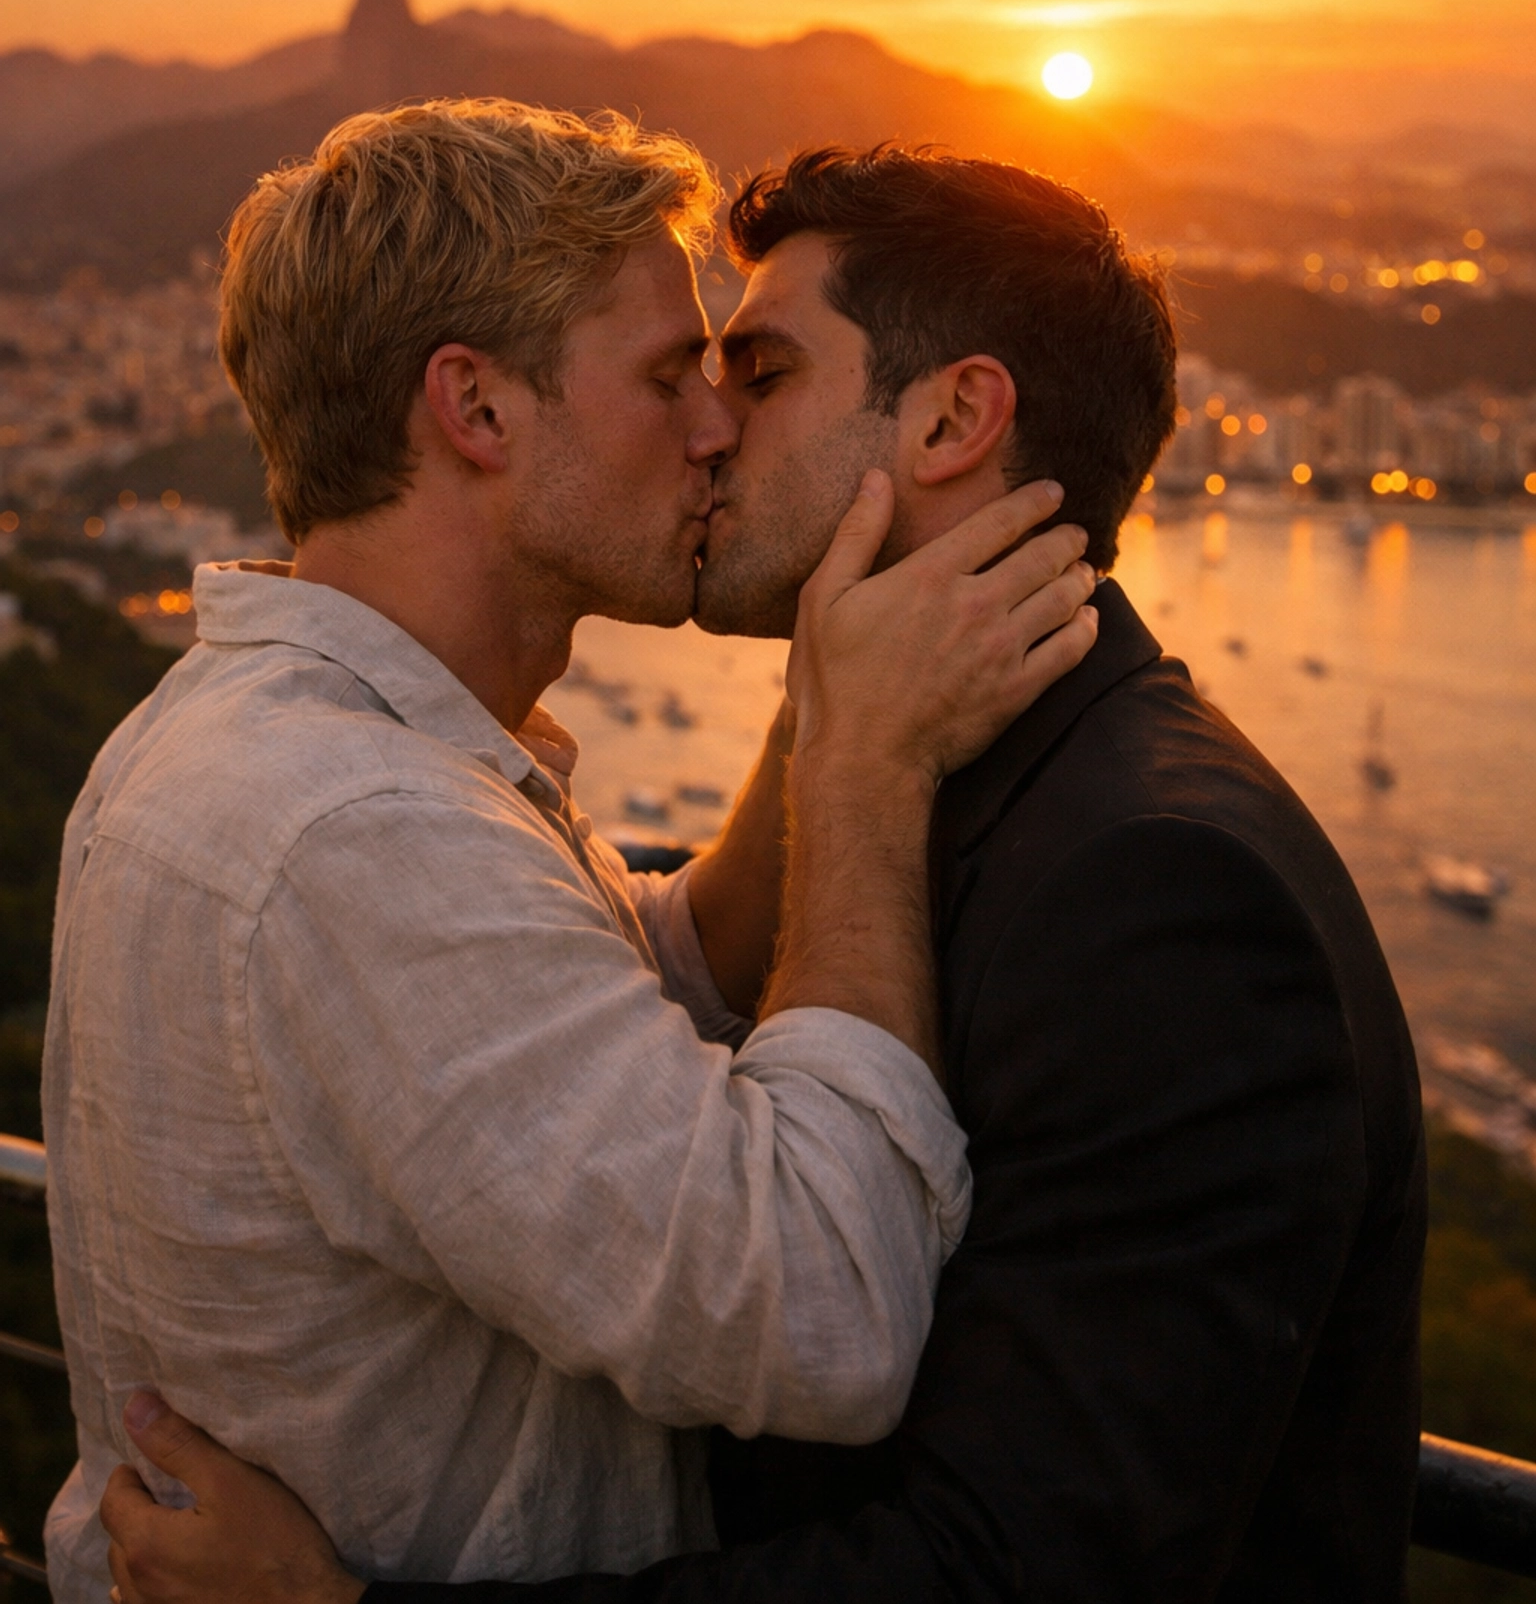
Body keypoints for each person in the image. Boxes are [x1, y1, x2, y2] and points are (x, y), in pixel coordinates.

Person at [100, 146, 1426, 1604]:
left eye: (758, 371)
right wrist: (846, 762)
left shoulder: (1159, 894)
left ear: (953, 420)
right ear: (474, 407)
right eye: (679, 372)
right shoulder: (359, 829)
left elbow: (1016, 1570)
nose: (715, 425)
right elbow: (820, 1303)